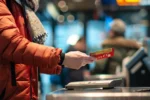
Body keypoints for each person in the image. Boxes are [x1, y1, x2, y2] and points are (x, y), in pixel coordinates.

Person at [0, 0, 95, 100]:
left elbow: (26, 59)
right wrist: (61, 58)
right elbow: (14, 45)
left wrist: (62, 62)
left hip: (24, 92)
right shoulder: (7, 5)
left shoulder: (22, 7)